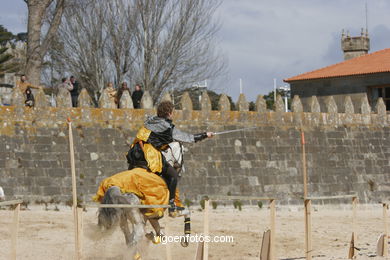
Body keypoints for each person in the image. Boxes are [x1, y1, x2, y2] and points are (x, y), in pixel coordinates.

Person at [127, 101, 213, 213]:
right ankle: (172, 205)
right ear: (169, 113)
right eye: (172, 112)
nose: (172, 114)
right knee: (173, 175)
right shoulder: (166, 127)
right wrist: (205, 135)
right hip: (149, 154)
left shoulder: (150, 121)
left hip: (135, 153)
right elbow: (187, 138)